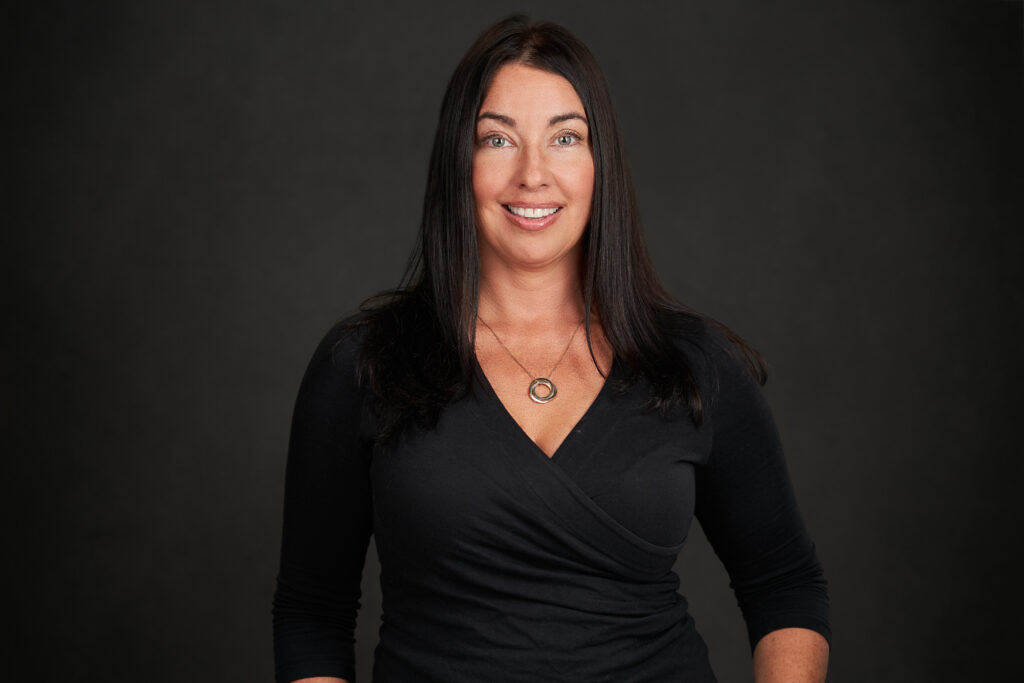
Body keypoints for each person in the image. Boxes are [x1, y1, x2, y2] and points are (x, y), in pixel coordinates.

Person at [273, 14, 830, 683]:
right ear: (459, 163)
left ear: (601, 165)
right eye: (497, 140)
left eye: (565, 137)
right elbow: (314, 611)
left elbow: (785, 581)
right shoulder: (363, 364)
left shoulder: (692, 364)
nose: (533, 174)